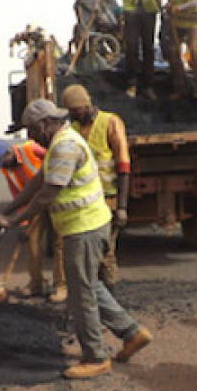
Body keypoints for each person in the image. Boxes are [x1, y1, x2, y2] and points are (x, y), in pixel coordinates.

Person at [0, 99, 153, 379]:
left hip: (84, 227)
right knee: (89, 285)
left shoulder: (66, 145)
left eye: (31, 129)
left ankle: (96, 357)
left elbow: (48, 193)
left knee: (81, 294)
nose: (29, 137)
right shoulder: (58, 142)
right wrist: (3, 212)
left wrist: (14, 221)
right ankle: (132, 333)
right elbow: (36, 182)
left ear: (44, 124)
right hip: (80, 226)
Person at [60, 84, 131, 292]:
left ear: (85, 105)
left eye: (75, 111)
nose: (73, 116)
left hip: (107, 201)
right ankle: (94, 302)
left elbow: (123, 166)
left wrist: (122, 207)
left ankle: (110, 298)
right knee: (86, 257)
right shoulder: (72, 130)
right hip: (84, 205)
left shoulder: (110, 123)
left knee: (105, 254)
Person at [0, 140, 67, 302]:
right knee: (32, 241)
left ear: (10, 152)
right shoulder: (6, 169)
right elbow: (17, 193)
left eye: (4, 161)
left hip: (56, 196)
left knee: (59, 243)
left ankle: (61, 286)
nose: (5, 166)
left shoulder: (30, 148)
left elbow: (56, 159)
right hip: (34, 205)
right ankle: (35, 284)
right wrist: (23, 223)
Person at [159, 0, 197, 99]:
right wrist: (167, 7)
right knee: (173, 51)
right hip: (177, 19)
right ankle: (180, 87)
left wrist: (178, 8)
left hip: (194, 18)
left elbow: (195, 1)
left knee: (195, 49)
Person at [122, 0, 163, 100]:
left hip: (149, 8)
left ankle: (148, 86)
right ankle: (131, 83)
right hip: (131, 8)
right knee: (131, 47)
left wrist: (161, 7)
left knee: (148, 47)